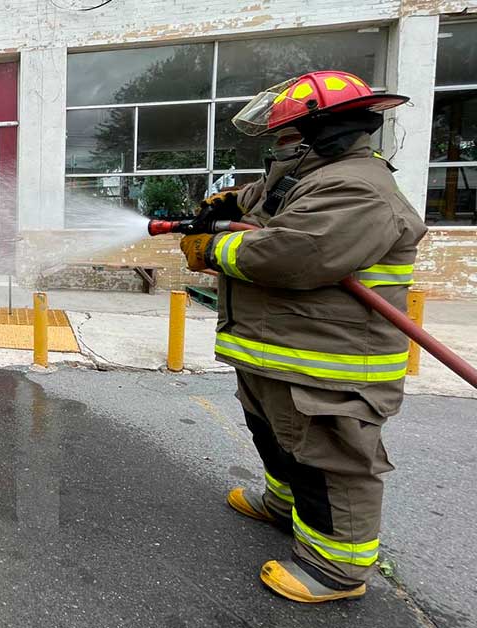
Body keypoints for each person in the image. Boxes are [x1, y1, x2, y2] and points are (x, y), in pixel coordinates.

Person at [179, 71, 427, 603]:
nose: (279, 147)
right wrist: (228, 204)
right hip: (282, 351)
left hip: (329, 362)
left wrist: (213, 249)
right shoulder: (307, 176)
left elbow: (294, 254)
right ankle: (282, 505)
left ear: (324, 133)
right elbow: (264, 199)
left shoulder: (356, 187)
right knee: (276, 436)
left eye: (287, 136)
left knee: (327, 461)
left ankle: (336, 568)